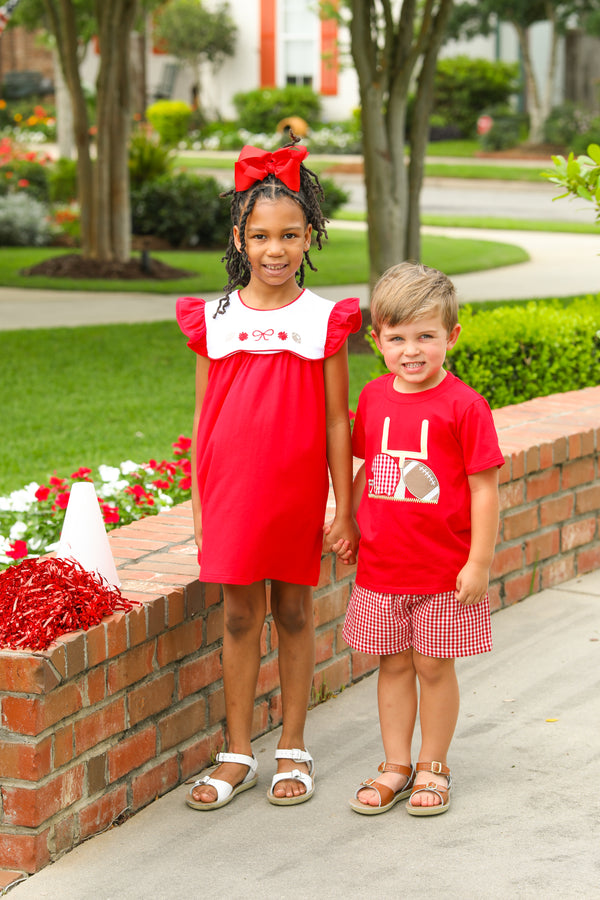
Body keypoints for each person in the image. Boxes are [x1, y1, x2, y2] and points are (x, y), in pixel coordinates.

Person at [176, 140, 361, 810]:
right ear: (239, 238)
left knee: (291, 610)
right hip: (231, 493)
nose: (274, 250)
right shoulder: (215, 319)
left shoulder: (321, 320)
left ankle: (292, 745)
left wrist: (344, 507)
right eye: (260, 236)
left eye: (288, 235)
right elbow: (203, 421)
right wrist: (199, 507)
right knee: (237, 616)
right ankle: (236, 752)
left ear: (308, 235)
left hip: (294, 493)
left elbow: (338, 421)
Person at [335, 261, 504, 817]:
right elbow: (371, 467)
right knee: (393, 665)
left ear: (450, 336)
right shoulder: (377, 397)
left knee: (434, 666)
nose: (412, 349)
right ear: (376, 339)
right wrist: (350, 520)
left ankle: (434, 764)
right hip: (383, 568)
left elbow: (484, 490)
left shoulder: (465, 407)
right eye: (398, 337)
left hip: (442, 569)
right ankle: (395, 764)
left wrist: (478, 561)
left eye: (426, 336)